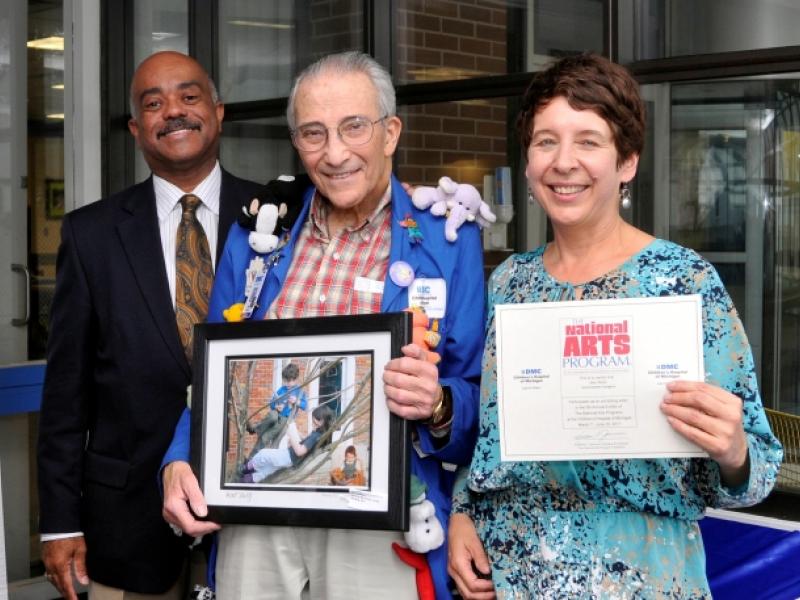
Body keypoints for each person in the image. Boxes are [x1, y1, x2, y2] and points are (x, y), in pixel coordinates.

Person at [447, 53, 783, 600]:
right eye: (546, 141)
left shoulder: (682, 281)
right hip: (512, 575)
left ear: (627, 162)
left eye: (588, 141)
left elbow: (759, 470)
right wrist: (463, 511)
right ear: (528, 162)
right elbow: (492, 435)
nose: (564, 162)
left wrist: (734, 451)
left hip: (642, 579)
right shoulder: (510, 283)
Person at [161, 51, 485, 599]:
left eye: (354, 127)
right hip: (257, 511)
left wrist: (438, 404)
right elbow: (212, 378)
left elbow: (477, 391)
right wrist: (177, 459)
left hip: (381, 517)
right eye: (313, 133)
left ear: (390, 133)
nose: (334, 153)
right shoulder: (259, 233)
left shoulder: (447, 240)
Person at [36, 51, 263, 600]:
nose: (174, 111)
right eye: (154, 103)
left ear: (218, 112)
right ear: (137, 129)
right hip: (126, 521)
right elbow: (66, 393)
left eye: (189, 96)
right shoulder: (90, 235)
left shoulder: (277, 215)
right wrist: (60, 523)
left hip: (257, 513)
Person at [241, 404, 334, 483]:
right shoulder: (319, 434)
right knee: (266, 470)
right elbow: (306, 445)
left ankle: (245, 468)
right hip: (290, 460)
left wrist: (291, 434)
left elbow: (299, 451)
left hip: (288, 456)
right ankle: (245, 481)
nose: (313, 422)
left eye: (316, 420)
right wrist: (299, 436)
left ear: (323, 420)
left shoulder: (315, 435)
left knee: (263, 453)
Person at [246, 361, 308, 454]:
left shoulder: (299, 391)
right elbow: (271, 403)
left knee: (265, 437)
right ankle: (255, 429)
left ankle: (251, 457)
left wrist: (296, 401)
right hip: (276, 413)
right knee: (272, 416)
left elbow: (305, 406)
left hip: (285, 419)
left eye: (289, 381)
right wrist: (276, 406)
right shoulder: (282, 389)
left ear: (296, 379)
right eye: (285, 381)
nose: (287, 384)